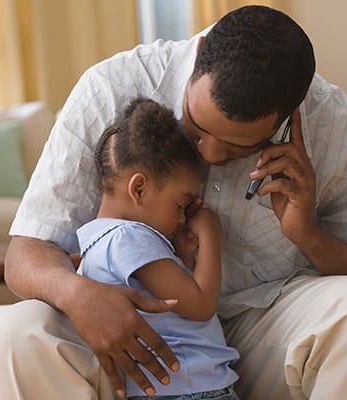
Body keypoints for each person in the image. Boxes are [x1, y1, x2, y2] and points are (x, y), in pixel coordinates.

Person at [0, 5, 347, 400]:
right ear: (194, 64)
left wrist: (310, 236)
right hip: (138, 337)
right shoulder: (111, 89)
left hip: (268, 329)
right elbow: (27, 253)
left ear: (291, 117)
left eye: (239, 148)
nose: (210, 154)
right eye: (196, 128)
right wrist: (77, 293)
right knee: (18, 336)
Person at [77, 97, 239, 399]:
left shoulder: (98, 242)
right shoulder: (128, 238)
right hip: (192, 388)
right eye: (180, 204)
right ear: (138, 189)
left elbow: (170, 309)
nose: (182, 218)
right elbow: (200, 307)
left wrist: (184, 256)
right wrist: (211, 232)